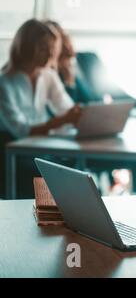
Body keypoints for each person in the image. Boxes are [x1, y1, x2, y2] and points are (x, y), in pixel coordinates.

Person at [0, 19, 81, 198]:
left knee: (73, 164)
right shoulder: (4, 82)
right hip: (11, 152)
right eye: (45, 48)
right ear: (27, 48)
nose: (52, 53)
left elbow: (64, 107)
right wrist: (64, 120)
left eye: (52, 47)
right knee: (52, 172)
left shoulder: (48, 75)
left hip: (40, 146)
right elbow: (20, 130)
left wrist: (79, 115)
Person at [43, 20, 95, 104]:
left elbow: (89, 100)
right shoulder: (50, 73)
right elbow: (68, 110)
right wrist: (69, 82)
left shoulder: (87, 59)